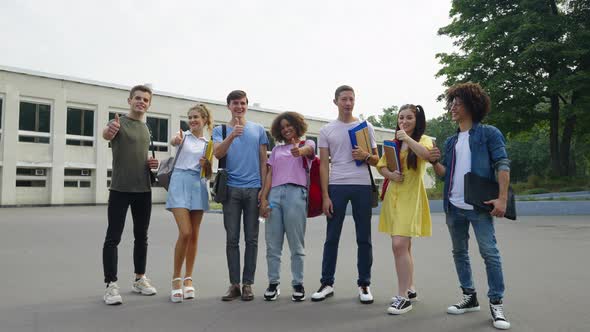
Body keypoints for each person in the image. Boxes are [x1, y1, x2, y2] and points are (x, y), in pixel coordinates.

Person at [429, 82, 511, 330]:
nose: (452, 106)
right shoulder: (451, 141)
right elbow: (446, 175)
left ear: (472, 105)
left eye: (458, 101)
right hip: (453, 206)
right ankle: (469, 296)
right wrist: (434, 163)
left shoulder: (488, 133)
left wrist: (502, 198)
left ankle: (496, 302)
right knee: (459, 253)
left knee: (489, 253)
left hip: (478, 206)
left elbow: (502, 164)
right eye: (451, 101)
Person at [311, 85, 379, 304]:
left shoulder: (365, 127)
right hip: (337, 186)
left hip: (362, 185)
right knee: (332, 237)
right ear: (336, 102)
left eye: (351, 99)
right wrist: (325, 196)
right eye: (344, 99)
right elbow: (323, 166)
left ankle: (364, 284)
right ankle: (327, 283)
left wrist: (366, 155)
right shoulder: (326, 130)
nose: (348, 103)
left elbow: (377, 160)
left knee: (364, 238)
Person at [101, 85, 159, 305]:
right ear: (129, 100)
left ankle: (139, 279)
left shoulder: (147, 129)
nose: (141, 102)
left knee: (141, 237)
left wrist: (151, 163)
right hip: (120, 190)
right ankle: (111, 285)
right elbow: (106, 134)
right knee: (112, 238)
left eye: (145, 99)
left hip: (143, 190)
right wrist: (109, 131)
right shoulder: (117, 123)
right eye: (137, 98)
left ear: (149, 104)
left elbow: (141, 157)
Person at [376, 104, 433, 315]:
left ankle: (402, 298)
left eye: (409, 118)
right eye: (401, 118)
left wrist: (407, 139)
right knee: (404, 247)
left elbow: (427, 155)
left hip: (411, 197)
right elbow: (381, 165)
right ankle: (410, 289)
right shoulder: (393, 143)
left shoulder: (422, 139)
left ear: (417, 121)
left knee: (398, 244)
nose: (404, 121)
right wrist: (390, 175)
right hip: (394, 197)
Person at [213, 90, 269, 301]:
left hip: (254, 189)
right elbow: (217, 153)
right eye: (235, 103)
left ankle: (248, 284)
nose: (239, 107)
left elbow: (264, 161)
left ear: (247, 105)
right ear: (228, 106)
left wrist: (264, 191)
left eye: (243, 103)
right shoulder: (220, 130)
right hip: (231, 191)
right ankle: (234, 284)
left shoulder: (258, 130)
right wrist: (232, 135)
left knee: (252, 239)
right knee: (232, 239)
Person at [259, 112, 315, 302]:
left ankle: (298, 283)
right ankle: (273, 283)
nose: (286, 129)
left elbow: (308, 152)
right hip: (274, 194)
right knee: (272, 244)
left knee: (296, 244)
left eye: (289, 125)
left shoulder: (308, 144)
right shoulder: (276, 151)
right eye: (282, 127)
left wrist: (299, 150)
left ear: (296, 125)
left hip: (296, 194)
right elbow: (269, 174)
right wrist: (264, 198)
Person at [167, 104, 213, 303]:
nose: (192, 120)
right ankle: (176, 279)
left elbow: (209, 174)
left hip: (198, 184)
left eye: (196, 117)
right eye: (190, 117)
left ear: (204, 120)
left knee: (194, 235)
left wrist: (207, 165)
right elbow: (173, 141)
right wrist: (175, 140)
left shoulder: (208, 144)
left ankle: (188, 279)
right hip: (179, 182)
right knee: (185, 232)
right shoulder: (182, 136)